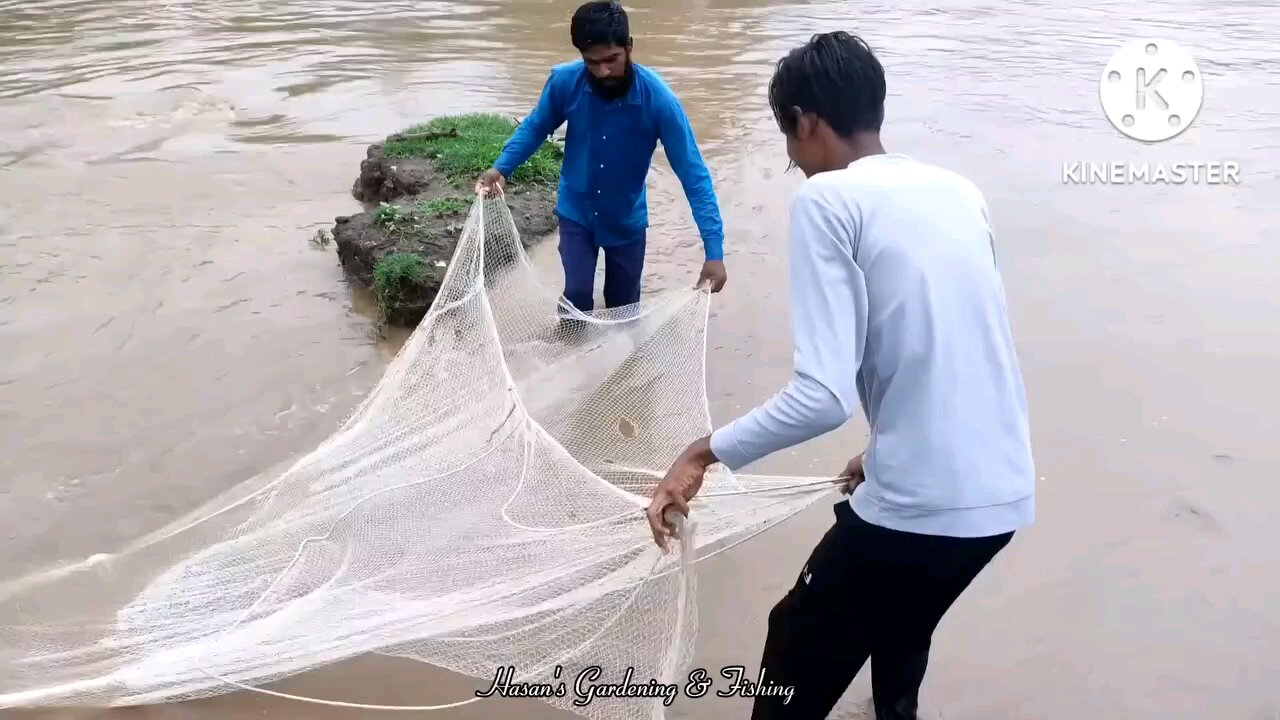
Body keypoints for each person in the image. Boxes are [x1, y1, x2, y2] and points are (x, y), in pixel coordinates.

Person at [645, 31, 1036, 720]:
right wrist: (881, 447)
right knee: (903, 624)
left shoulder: (829, 202)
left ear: (807, 122)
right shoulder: (958, 190)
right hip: (1001, 499)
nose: (795, 164)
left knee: (794, 645)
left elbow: (820, 399)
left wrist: (701, 452)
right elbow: (956, 344)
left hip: (919, 509)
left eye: (789, 143)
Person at [474, 1, 727, 313]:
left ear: (629, 47)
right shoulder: (565, 82)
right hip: (576, 212)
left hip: (626, 220)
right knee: (577, 295)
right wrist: (502, 167)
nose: (604, 70)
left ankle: (619, 360)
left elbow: (694, 175)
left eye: (612, 59)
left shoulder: (659, 101)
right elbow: (536, 126)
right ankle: (569, 349)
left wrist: (714, 251)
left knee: (624, 305)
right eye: (592, 62)